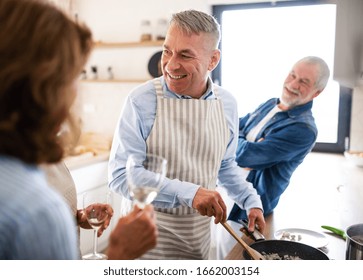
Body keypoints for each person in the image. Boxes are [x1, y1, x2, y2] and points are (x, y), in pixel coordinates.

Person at [0, 0, 156, 260]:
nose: (76, 91)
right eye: (73, 76)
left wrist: (73, 217)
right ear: (44, 87)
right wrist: (119, 256)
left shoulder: (31, 157)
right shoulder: (36, 214)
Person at [108, 9, 265, 260]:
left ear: (213, 60)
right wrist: (191, 193)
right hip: (146, 243)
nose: (170, 64)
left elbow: (223, 166)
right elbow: (120, 176)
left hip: (198, 242)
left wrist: (250, 200)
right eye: (167, 50)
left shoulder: (227, 103)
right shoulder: (140, 101)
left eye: (185, 55)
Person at [213, 56, 330, 259]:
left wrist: (237, 141)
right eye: (293, 75)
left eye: (304, 81)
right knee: (215, 255)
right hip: (225, 189)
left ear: (317, 92)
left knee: (230, 262)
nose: (293, 84)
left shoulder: (303, 129)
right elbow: (233, 124)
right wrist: (240, 138)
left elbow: (244, 155)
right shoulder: (271, 104)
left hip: (247, 209)